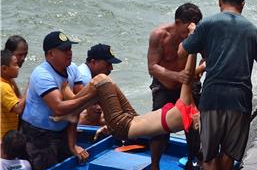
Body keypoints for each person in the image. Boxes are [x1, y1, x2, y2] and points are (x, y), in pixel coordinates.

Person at [179, 0, 257, 170]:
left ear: (220, 2)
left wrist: (192, 35)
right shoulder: (253, 31)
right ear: (243, 4)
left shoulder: (207, 25)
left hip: (212, 97)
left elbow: (182, 51)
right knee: (229, 154)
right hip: (240, 99)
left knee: (209, 155)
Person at [51, 54, 204, 143]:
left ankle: (71, 110)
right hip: (131, 117)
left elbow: (187, 77)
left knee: (101, 80)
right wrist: (203, 66)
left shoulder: (186, 112)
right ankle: (72, 112)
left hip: (124, 126)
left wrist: (192, 47)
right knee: (106, 83)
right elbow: (190, 77)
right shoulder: (188, 109)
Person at [20, 31, 92, 170]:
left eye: (70, 48)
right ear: (51, 53)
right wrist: (89, 96)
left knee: (71, 167)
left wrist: (73, 144)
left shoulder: (72, 69)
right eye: (64, 50)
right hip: (38, 135)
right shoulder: (42, 74)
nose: (69, 53)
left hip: (62, 131)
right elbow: (59, 108)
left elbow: (78, 102)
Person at [147, 3, 202, 170]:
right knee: (160, 129)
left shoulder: (198, 34)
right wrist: (176, 75)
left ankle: (192, 162)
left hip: (188, 85)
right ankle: (154, 166)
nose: (188, 36)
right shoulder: (159, 36)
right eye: (186, 31)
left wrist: (198, 70)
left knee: (194, 127)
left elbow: (209, 58)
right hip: (164, 86)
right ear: (178, 22)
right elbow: (152, 67)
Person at [1, 50, 25, 138]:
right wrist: (29, 88)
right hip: (3, 137)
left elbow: (17, 100)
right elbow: (18, 109)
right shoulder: (4, 87)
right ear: (4, 68)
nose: (18, 67)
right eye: (15, 65)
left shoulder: (7, 83)